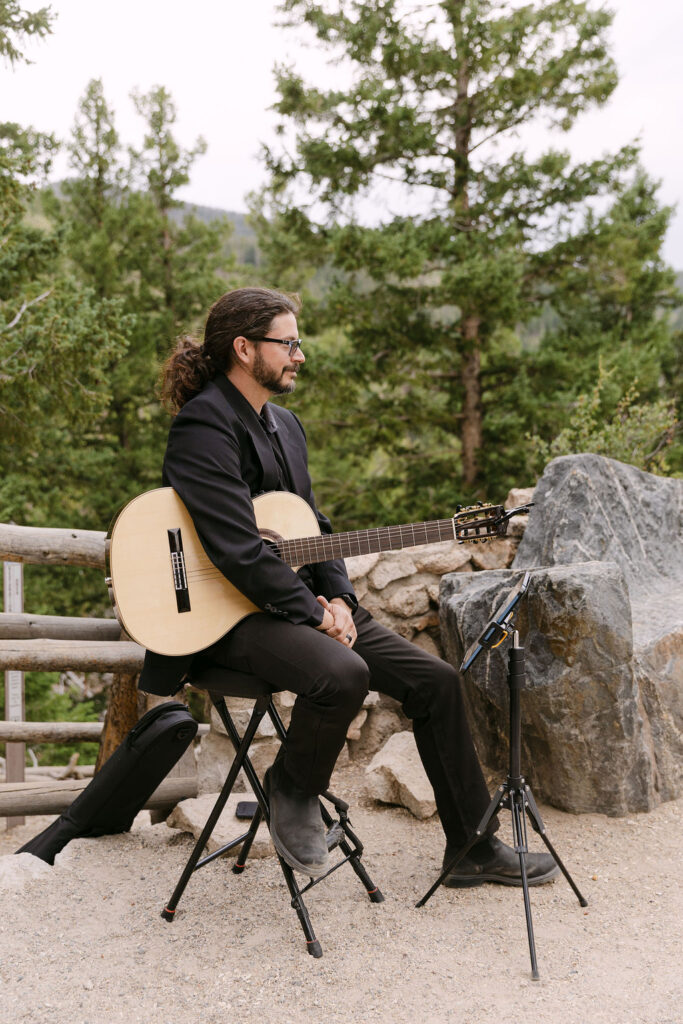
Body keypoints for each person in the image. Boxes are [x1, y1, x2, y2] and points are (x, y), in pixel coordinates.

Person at [138, 286, 558, 887]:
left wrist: (338, 598)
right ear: (244, 348)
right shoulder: (203, 424)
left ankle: (471, 848)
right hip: (224, 618)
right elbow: (236, 549)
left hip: (295, 606)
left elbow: (314, 527)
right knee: (342, 671)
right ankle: (290, 787)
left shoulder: (285, 425)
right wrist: (312, 612)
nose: (299, 355)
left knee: (436, 682)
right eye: (288, 343)